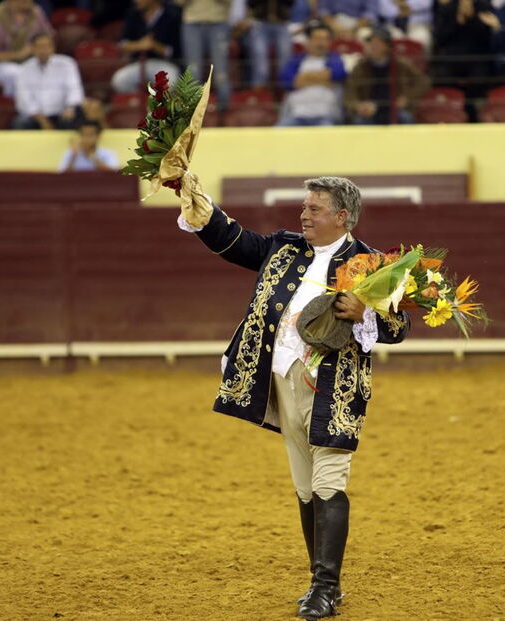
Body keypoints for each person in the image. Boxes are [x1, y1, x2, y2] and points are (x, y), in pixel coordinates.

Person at [175, 174, 410, 620]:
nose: (303, 215)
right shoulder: (284, 249)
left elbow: (400, 329)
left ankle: (325, 588)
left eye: (314, 209)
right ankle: (321, 583)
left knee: (327, 482)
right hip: (282, 380)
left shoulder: (372, 263)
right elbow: (231, 240)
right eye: (304, 208)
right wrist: (192, 196)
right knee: (305, 489)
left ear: (342, 216)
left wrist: (368, 313)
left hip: (336, 388)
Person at [344, 25, 430, 123]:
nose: (373, 46)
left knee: (405, 117)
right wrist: (359, 106)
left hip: (394, 106)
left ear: (387, 46)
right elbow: (350, 92)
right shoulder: (361, 66)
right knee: (359, 120)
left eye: (377, 43)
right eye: (370, 43)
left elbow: (423, 82)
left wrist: (406, 97)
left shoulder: (400, 64)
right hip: (371, 107)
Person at [278, 20, 348, 126]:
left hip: (325, 116)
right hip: (296, 115)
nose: (321, 43)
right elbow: (287, 81)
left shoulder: (334, 58)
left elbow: (338, 75)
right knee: (278, 134)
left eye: (325, 39)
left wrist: (303, 77)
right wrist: (323, 79)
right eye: (318, 39)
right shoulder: (296, 60)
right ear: (308, 40)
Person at [0, 0, 54, 97]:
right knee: (16, 73)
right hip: (1, 67)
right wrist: (19, 54)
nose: (29, 2)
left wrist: (40, 49)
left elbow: (49, 36)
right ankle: (16, 108)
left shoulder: (36, 12)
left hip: (33, 62)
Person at [14, 32, 85, 129]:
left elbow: (74, 89)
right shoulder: (25, 68)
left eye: (47, 46)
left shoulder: (67, 63)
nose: (43, 50)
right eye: (39, 46)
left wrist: (70, 108)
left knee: (72, 120)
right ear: (32, 48)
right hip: (36, 115)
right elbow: (24, 99)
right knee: (20, 123)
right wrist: (41, 119)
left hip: (62, 112)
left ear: (53, 47)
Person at [111, 0, 182, 94]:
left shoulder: (171, 16)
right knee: (119, 81)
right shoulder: (133, 14)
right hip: (138, 63)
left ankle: (160, 105)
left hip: (163, 64)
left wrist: (154, 46)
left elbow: (174, 51)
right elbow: (123, 45)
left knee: (172, 81)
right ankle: (141, 104)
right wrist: (140, 45)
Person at [432, 0, 496, 104]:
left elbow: (487, 38)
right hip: (452, 57)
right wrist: (457, 20)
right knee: (442, 76)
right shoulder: (447, 8)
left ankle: (472, 110)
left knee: (480, 77)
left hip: (477, 57)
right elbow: (440, 38)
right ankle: (450, 107)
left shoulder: (483, 6)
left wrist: (472, 18)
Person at [178, 0, 231, 106]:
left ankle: (224, 114)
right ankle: (192, 112)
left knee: (221, 74)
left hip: (218, 22)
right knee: (193, 73)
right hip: (192, 23)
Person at [243, 0, 296, 90]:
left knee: (285, 60)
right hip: (260, 23)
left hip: (281, 23)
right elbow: (251, 3)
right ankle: (258, 94)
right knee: (260, 62)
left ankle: (284, 93)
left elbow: (291, 3)